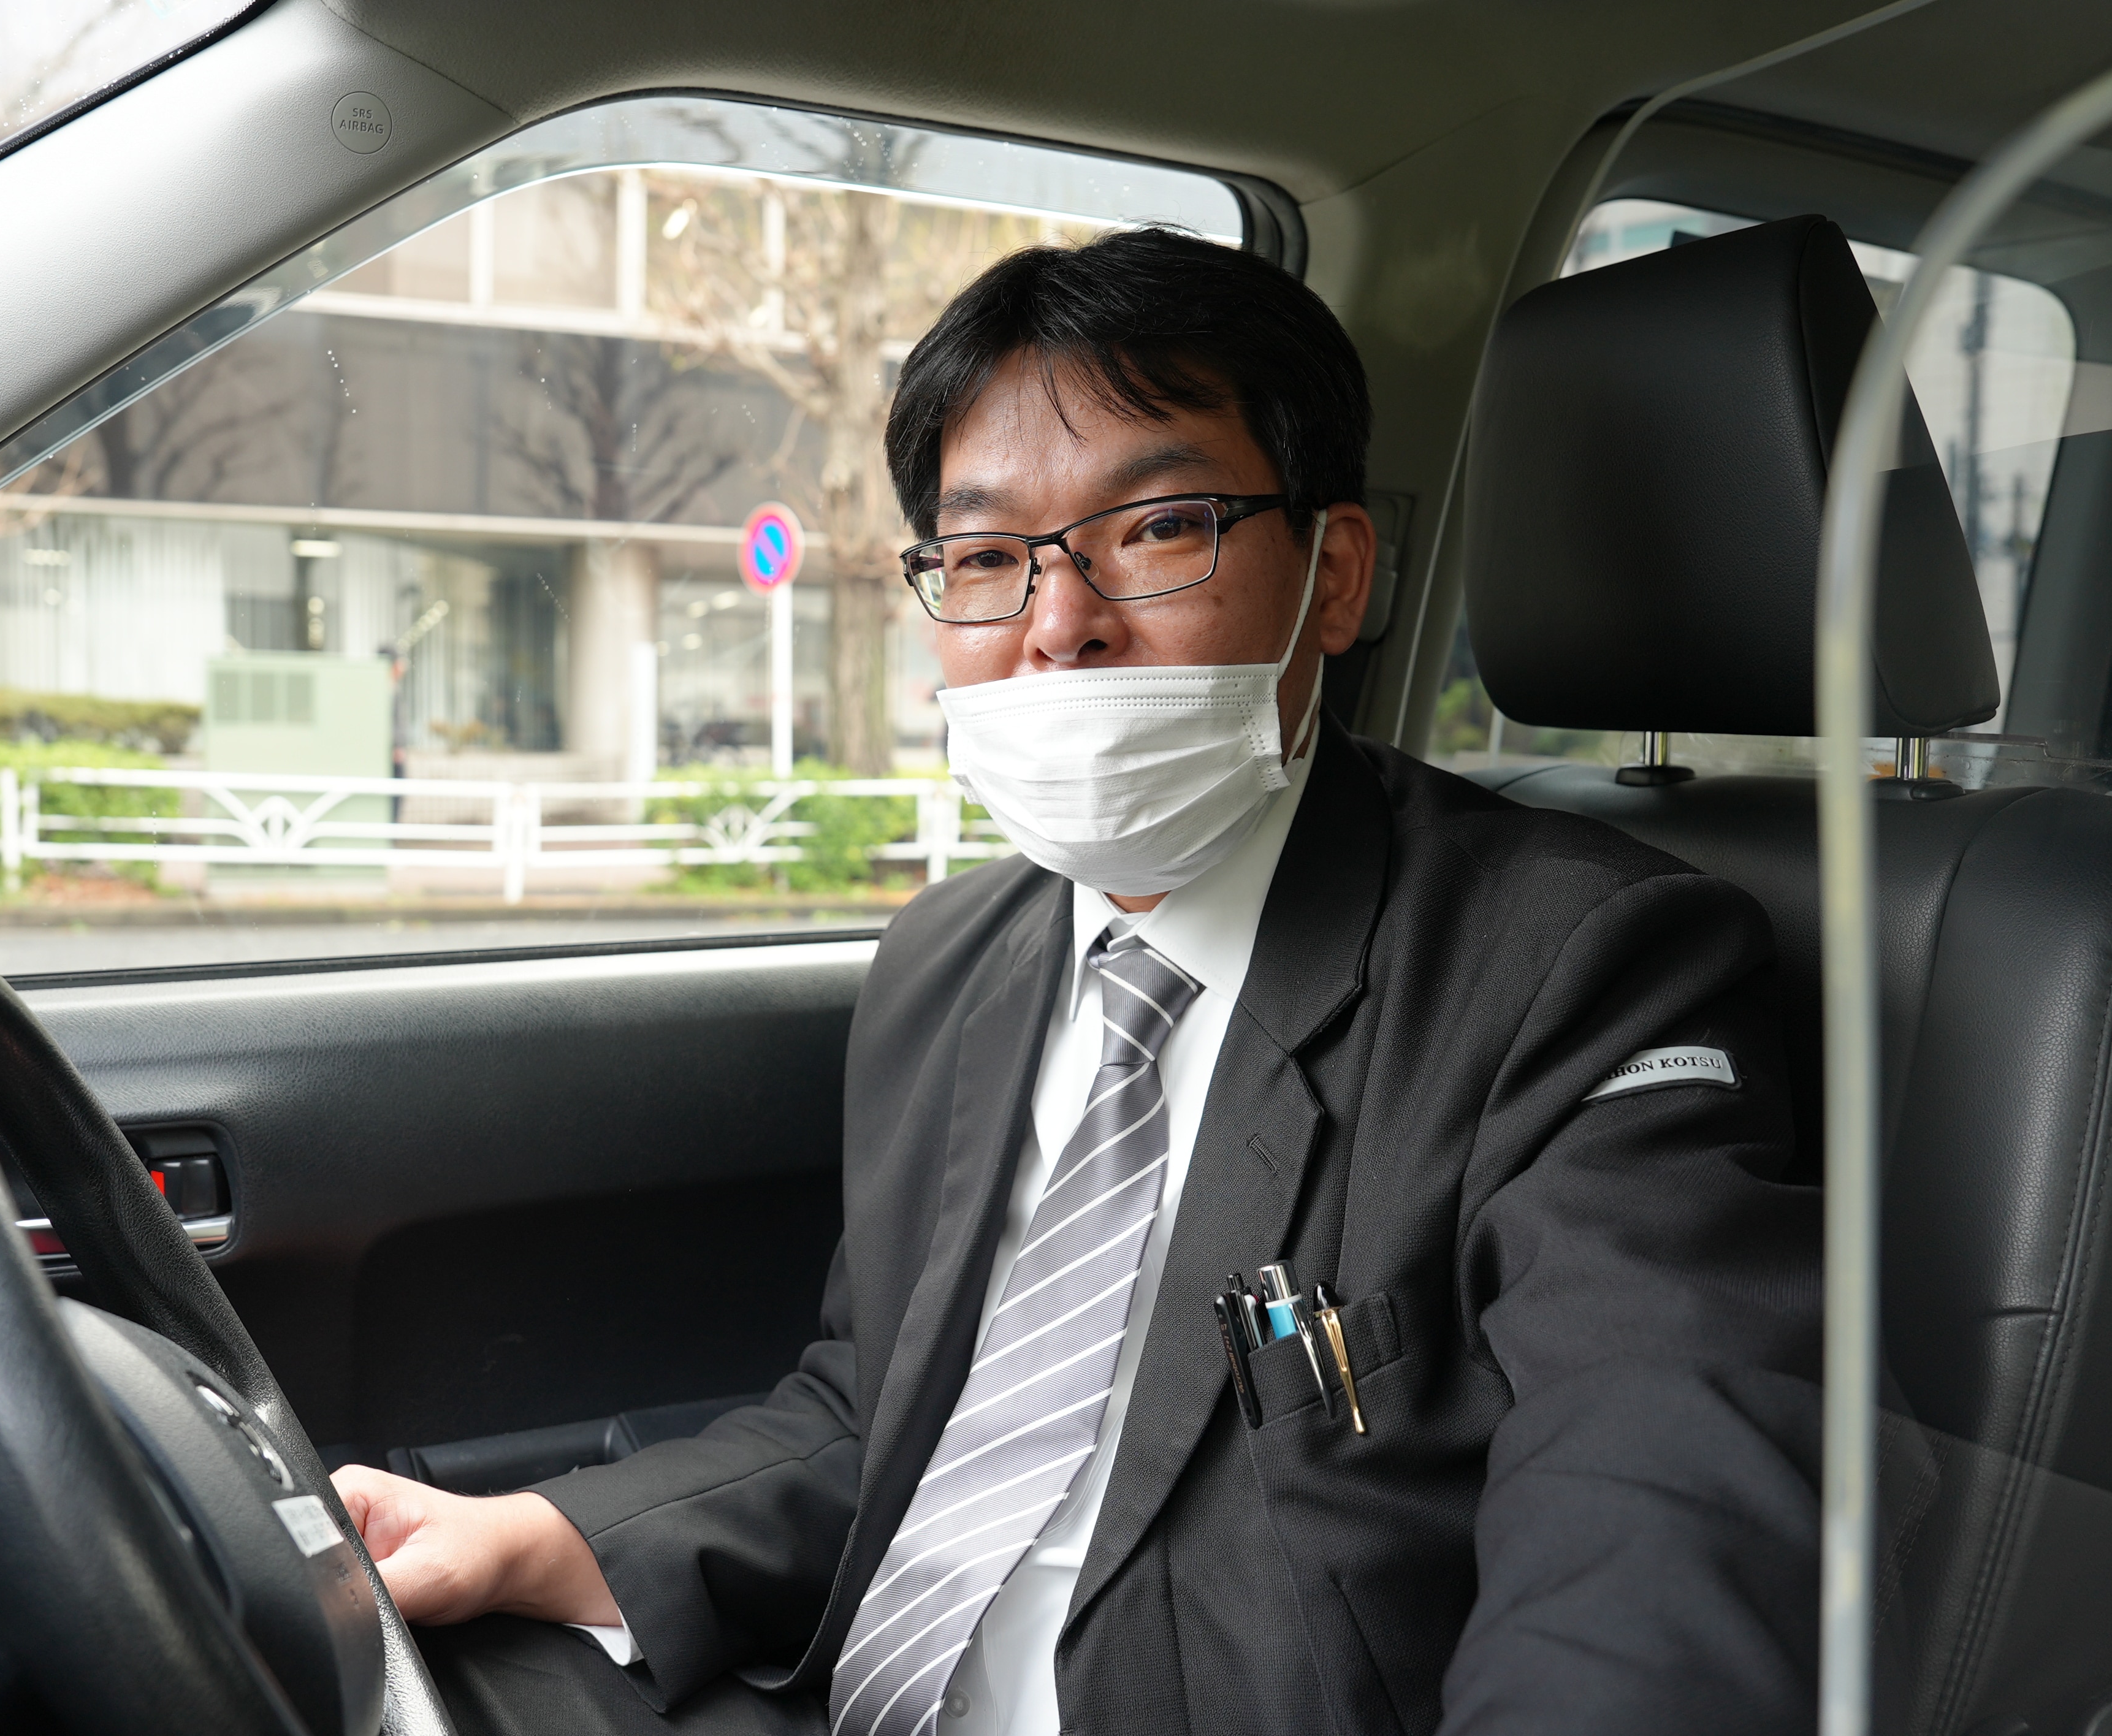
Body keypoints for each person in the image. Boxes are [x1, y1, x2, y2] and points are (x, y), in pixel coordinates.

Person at [331, 227, 1822, 1736]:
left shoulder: (1579, 967)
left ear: (1332, 576)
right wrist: (549, 1539)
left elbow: (1650, 1524)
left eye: (1158, 528)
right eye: (986, 558)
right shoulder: (948, 960)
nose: (1059, 625)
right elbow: (880, 1414)